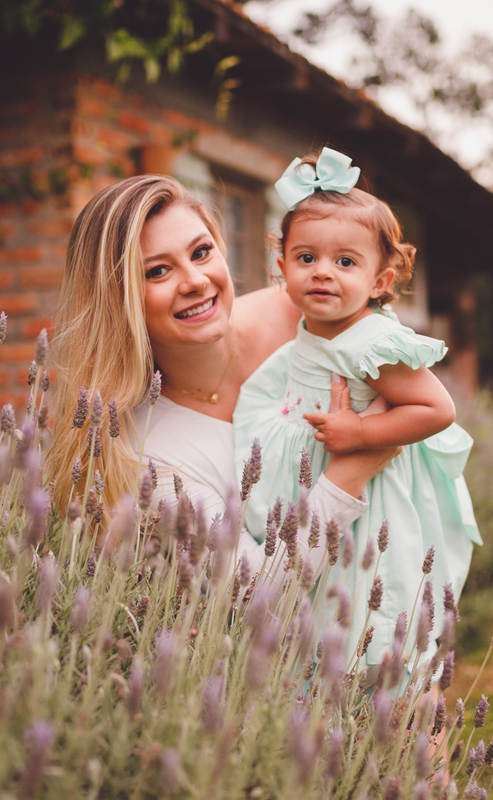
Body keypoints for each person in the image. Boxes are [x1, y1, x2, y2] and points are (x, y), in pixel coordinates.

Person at [47, 173, 397, 567]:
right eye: (157, 271)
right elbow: (255, 589)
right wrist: (350, 475)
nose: (195, 281)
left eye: (201, 252)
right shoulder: (148, 455)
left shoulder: (307, 312)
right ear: (116, 299)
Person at [233, 148, 481, 669]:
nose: (323, 272)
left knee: (360, 593)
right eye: (306, 258)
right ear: (281, 270)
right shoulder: (317, 327)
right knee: (314, 595)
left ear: (379, 282)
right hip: (317, 477)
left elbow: (437, 409)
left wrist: (363, 434)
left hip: (368, 490)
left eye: (345, 262)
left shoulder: (370, 342)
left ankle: (367, 677)